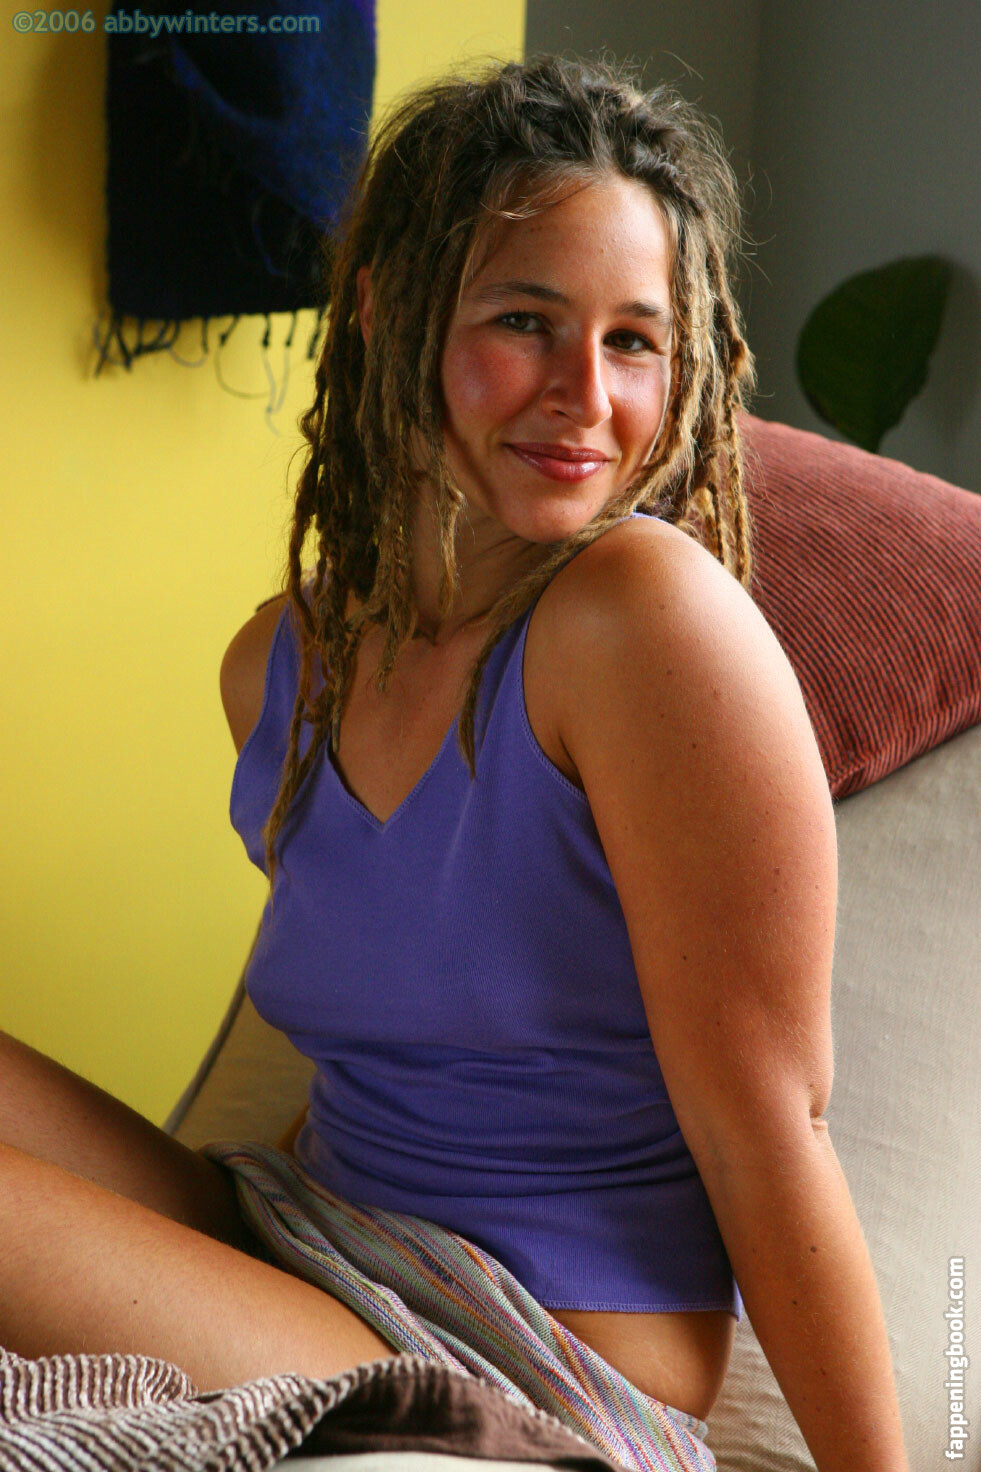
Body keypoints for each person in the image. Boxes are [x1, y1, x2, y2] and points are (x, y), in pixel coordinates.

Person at [0, 54, 908, 1472]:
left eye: (633, 341)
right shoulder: (282, 666)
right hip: (313, 1244)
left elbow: (766, 1133)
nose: (585, 396)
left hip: (529, 1359)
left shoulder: (643, 621)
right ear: (389, 312)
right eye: (524, 321)